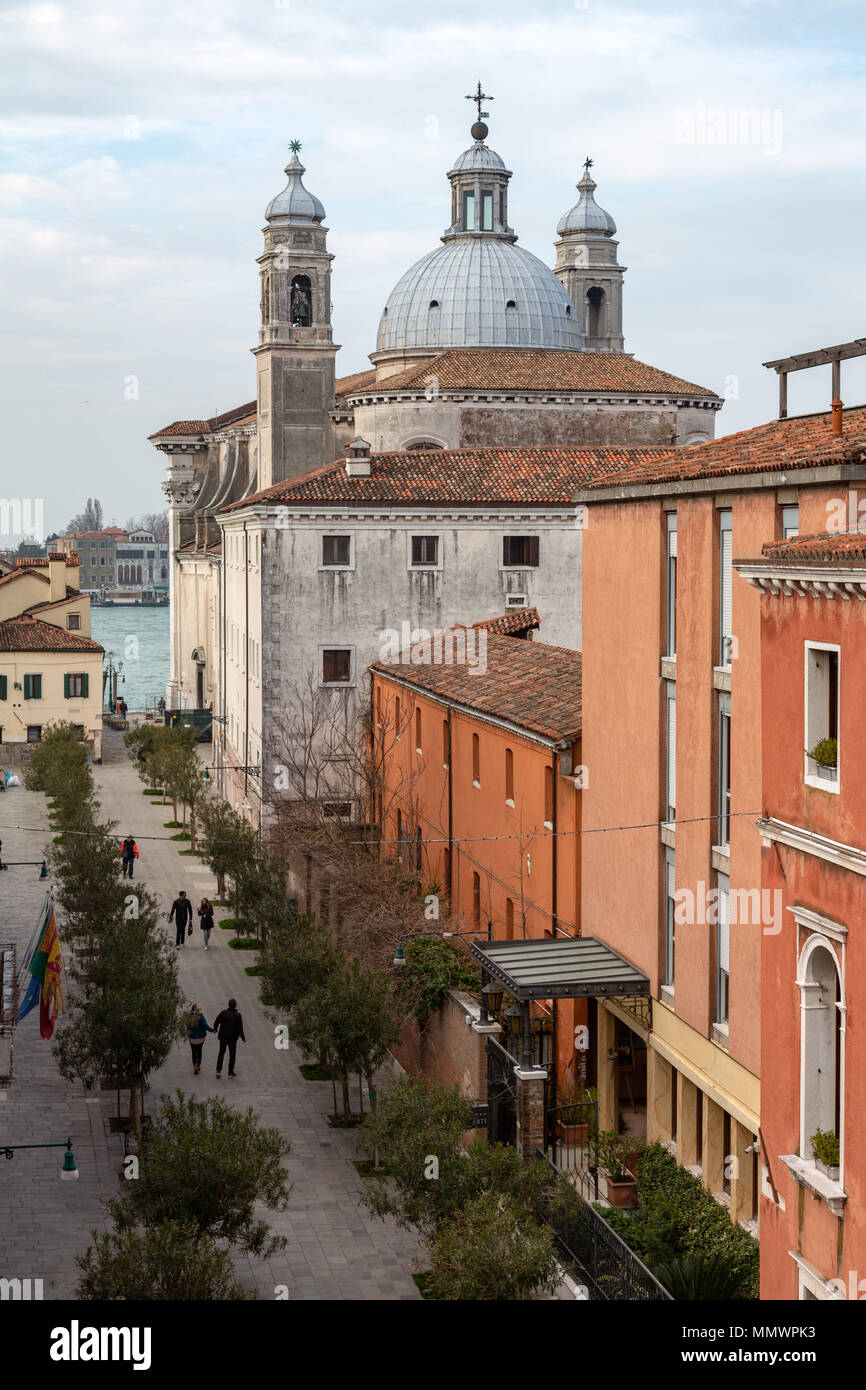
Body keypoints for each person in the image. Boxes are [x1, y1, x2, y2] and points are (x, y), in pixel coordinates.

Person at [213, 997, 245, 1079]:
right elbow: (240, 1028)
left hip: (223, 1037)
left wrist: (215, 1029)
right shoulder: (238, 1015)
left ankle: (218, 1072)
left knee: (221, 1053)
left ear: (228, 1005)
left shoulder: (223, 1013)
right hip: (232, 1039)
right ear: (235, 1006)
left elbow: (217, 1020)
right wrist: (243, 1038)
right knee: (232, 1055)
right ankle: (230, 1073)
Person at [187, 1003, 214, 1074]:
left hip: (192, 1038)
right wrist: (212, 1030)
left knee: (193, 1052)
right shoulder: (200, 1016)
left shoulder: (188, 1016)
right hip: (200, 1038)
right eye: (198, 1006)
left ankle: (194, 1066)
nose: (200, 1006)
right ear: (195, 1008)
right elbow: (205, 1025)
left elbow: (187, 1027)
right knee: (199, 1052)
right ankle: (198, 1065)